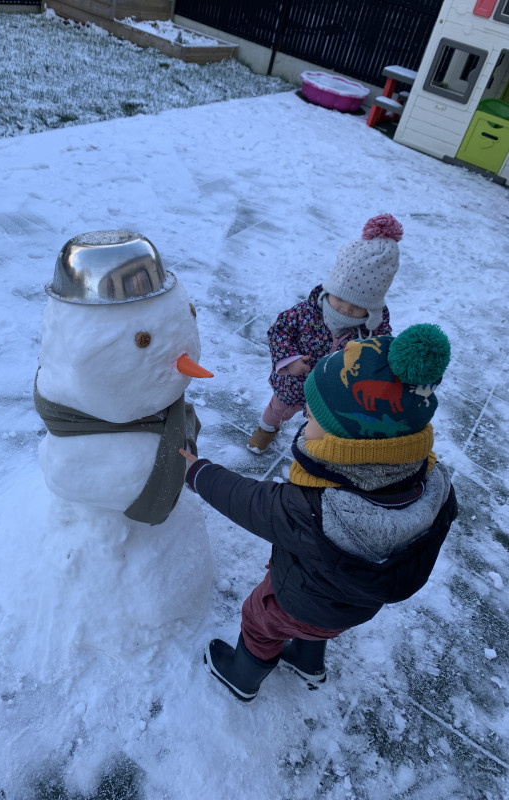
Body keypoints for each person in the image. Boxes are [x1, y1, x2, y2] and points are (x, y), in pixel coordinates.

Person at [180, 323, 458, 703]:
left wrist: (198, 472)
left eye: (311, 417)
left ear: (348, 437)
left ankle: (241, 678)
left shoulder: (317, 511)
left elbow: (248, 500)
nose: (302, 420)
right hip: (353, 608)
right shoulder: (431, 484)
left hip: (298, 596)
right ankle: (308, 664)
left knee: (261, 621)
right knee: (317, 625)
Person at [247, 213, 403, 454]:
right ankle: (266, 429)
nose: (346, 308)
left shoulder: (373, 331)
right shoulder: (307, 312)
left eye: (357, 305)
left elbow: (382, 356)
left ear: (371, 306)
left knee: (321, 426)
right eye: (340, 298)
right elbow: (279, 331)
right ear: (330, 289)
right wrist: (291, 360)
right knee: (278, 409)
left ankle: (313, 452)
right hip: (293, 383)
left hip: (332, 393)